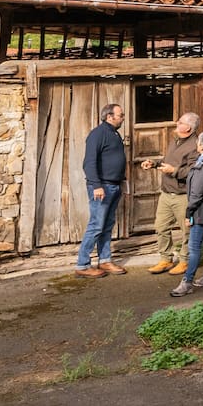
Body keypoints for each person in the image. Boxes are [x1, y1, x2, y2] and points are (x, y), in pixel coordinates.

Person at [142, 112, 201, 275]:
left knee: (186, 231)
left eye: (180, 122)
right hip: (166, 194)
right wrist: (154, 163)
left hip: (183, 196)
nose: (176, 123)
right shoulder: (175, 141)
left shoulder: (195, 145)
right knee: (161, 227)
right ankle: (165, 259)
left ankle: (185, 261)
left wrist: (174, 171)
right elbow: (168, 162)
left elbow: (194, 171)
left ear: (187, 127)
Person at [75, 103, 128, 278]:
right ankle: (83, 265)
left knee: (107, 226)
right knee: (96, 226)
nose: (123, 118)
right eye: (121, 115)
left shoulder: (115, 133)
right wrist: (96, 185)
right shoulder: (97, 134)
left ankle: (104, 260)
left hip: (114, 185)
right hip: (101, 186)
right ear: (109, 116)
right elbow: (89, 162)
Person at [171, 131, 203, 297]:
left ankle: (187, 282)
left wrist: (189, 212)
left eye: (198, 142)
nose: (197, 145)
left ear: (202, 145)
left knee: (194, 248)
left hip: (201, 211)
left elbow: (197, 194)